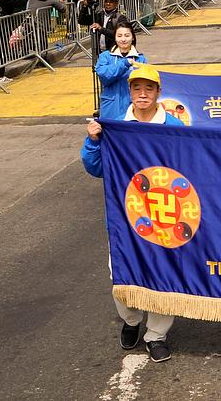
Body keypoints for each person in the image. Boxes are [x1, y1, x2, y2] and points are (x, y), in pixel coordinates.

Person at [81, 64, 182, 363]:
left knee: (164, 275)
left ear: (158, 93)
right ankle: (132, 319)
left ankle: (157, 335)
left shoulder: (173, 127)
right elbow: (95, 168)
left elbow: (190, 167)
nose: (142, 94)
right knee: (121, 274)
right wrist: (93, 142)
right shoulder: (115, 127)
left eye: (148, 89)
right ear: (130, 93)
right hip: (127, 218)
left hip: (165, 216)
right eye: (137, 88)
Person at [95, 20, 148, 120]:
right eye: (119, 36)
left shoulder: (140, 59)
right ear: (115, 38)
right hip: (111, 108)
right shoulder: (105, 57)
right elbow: (105, 76)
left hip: (133, 107)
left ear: (132, 38)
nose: (123, 39)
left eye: (127, 35)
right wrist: (125, 63)